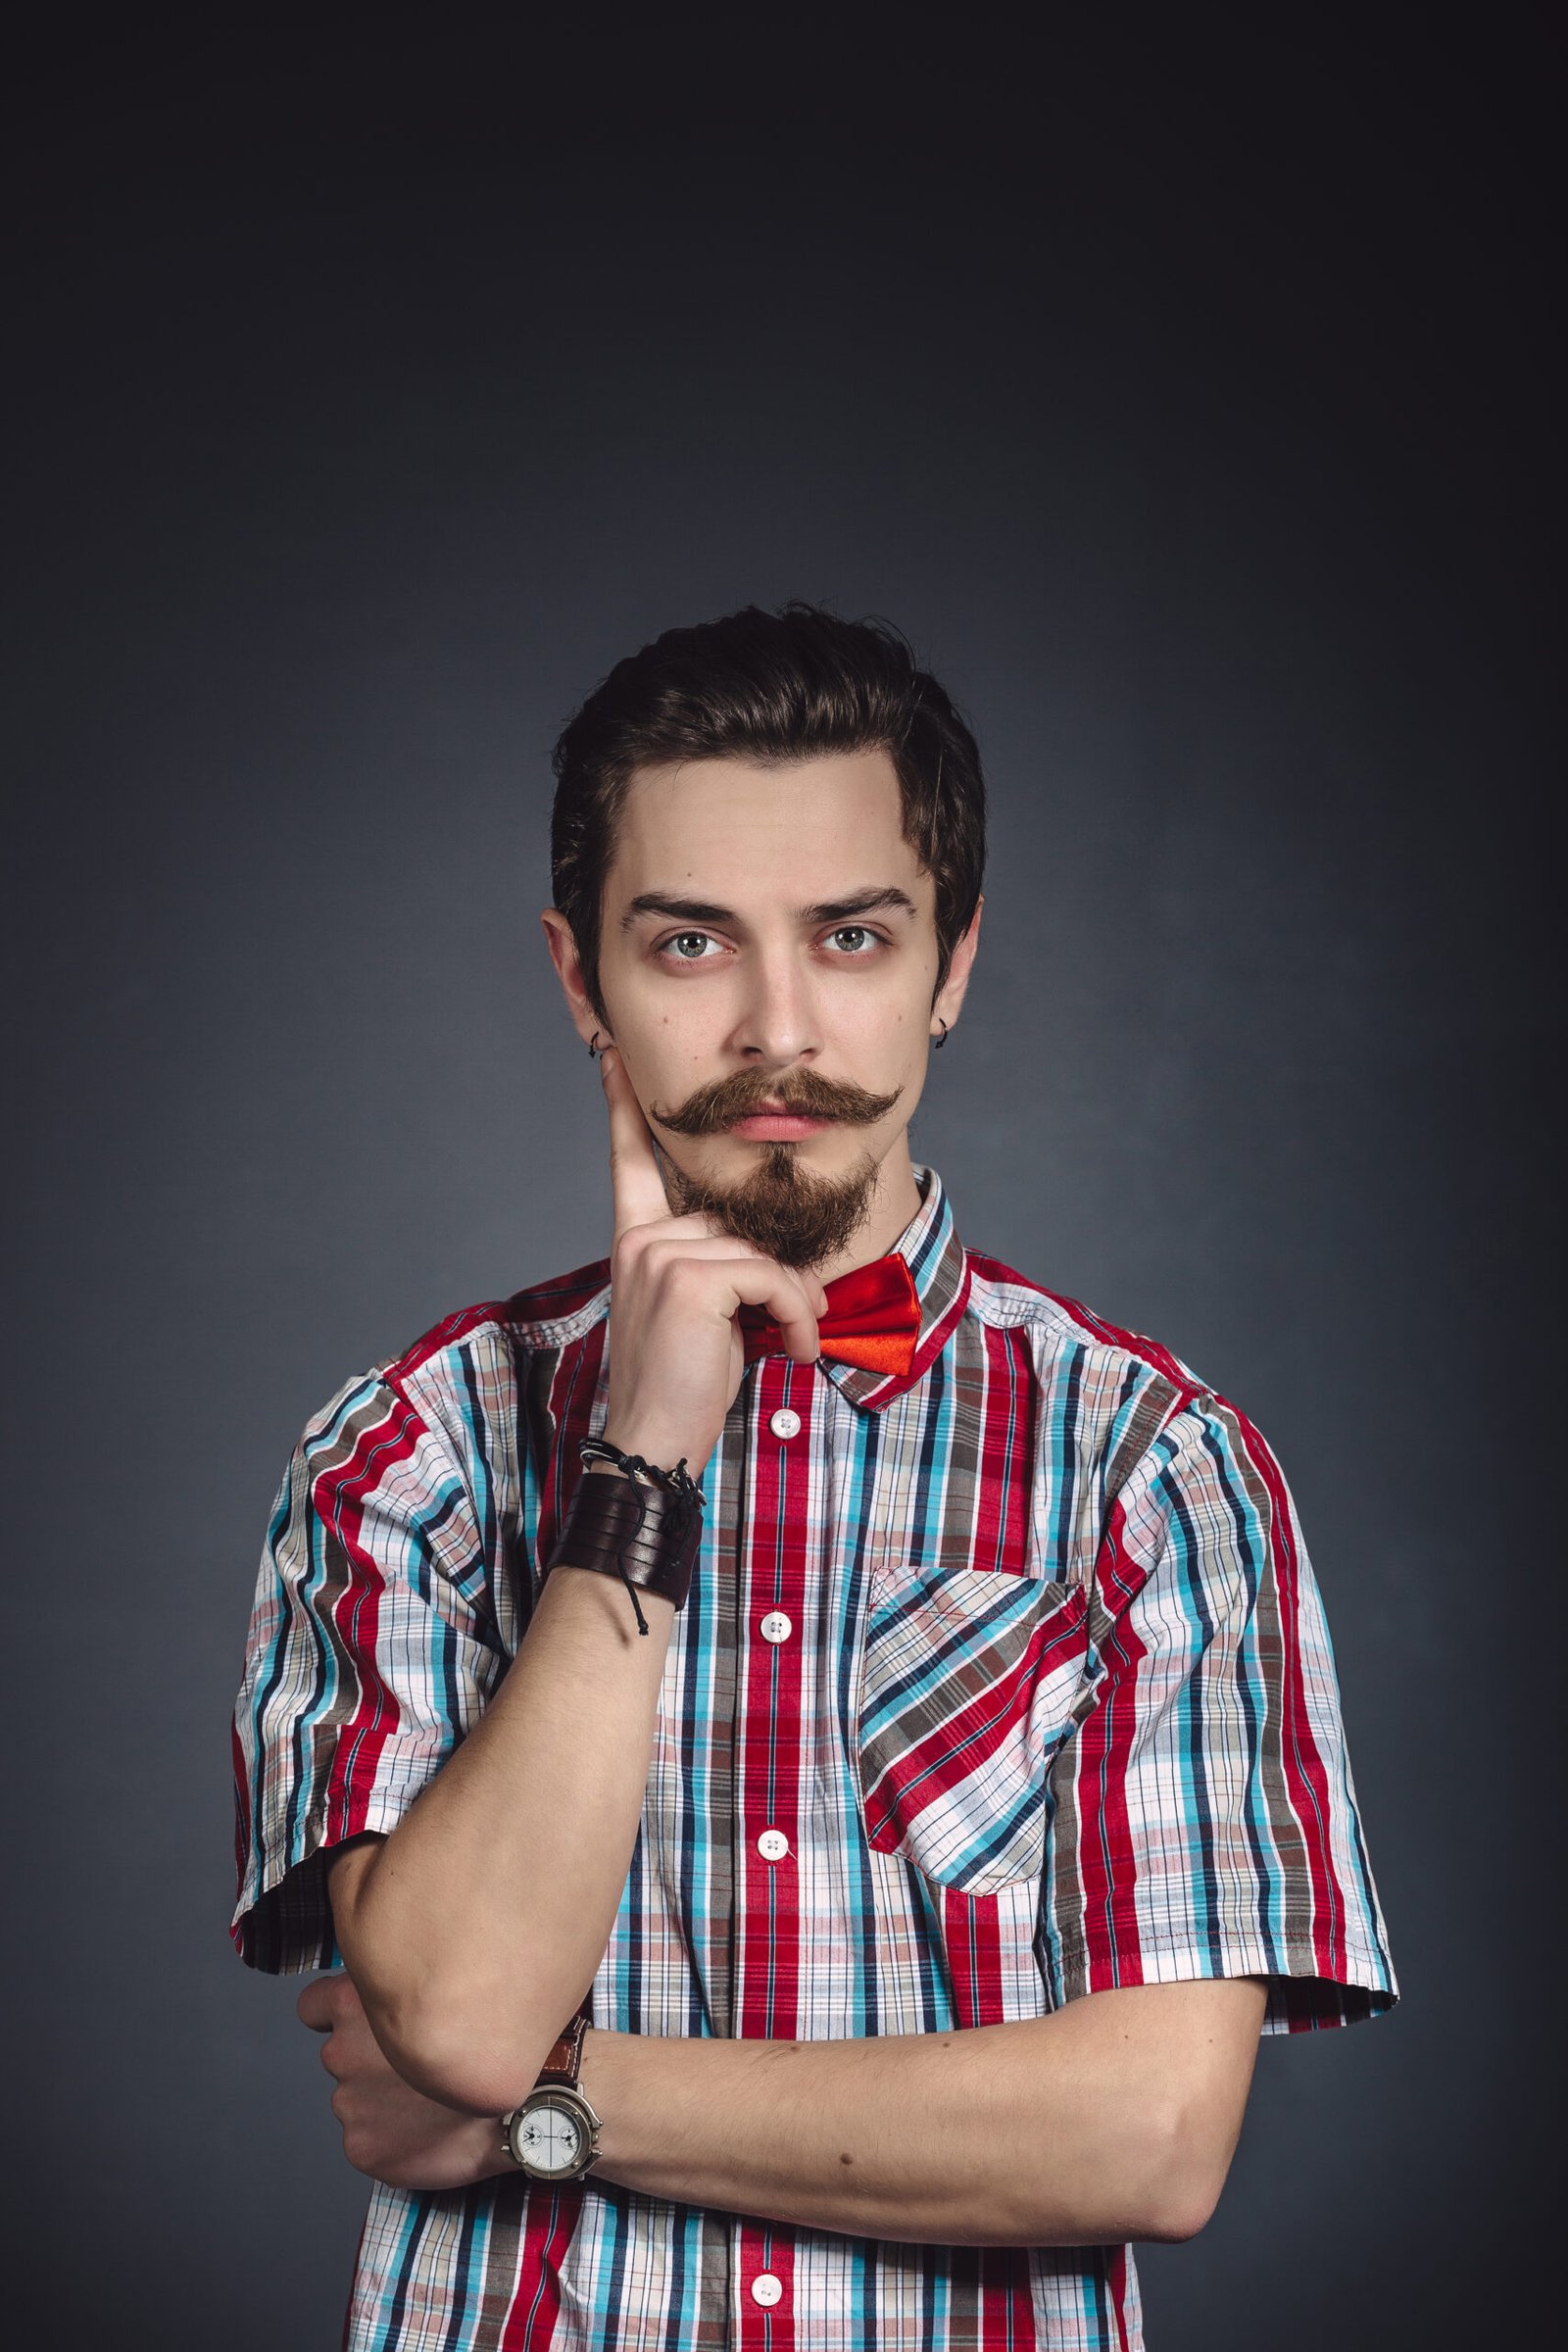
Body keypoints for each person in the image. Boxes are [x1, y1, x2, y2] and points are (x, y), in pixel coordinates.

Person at [230, 602, 1396, 2350]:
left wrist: (562, 2108)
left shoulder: (1158, 1468)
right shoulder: (409, 1451)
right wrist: (640, 1457)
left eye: (852, 936)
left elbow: (1152, 2135)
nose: (781, 1030)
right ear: (580, 981)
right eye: (691, 944)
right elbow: (459, 2017)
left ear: (955, 963)